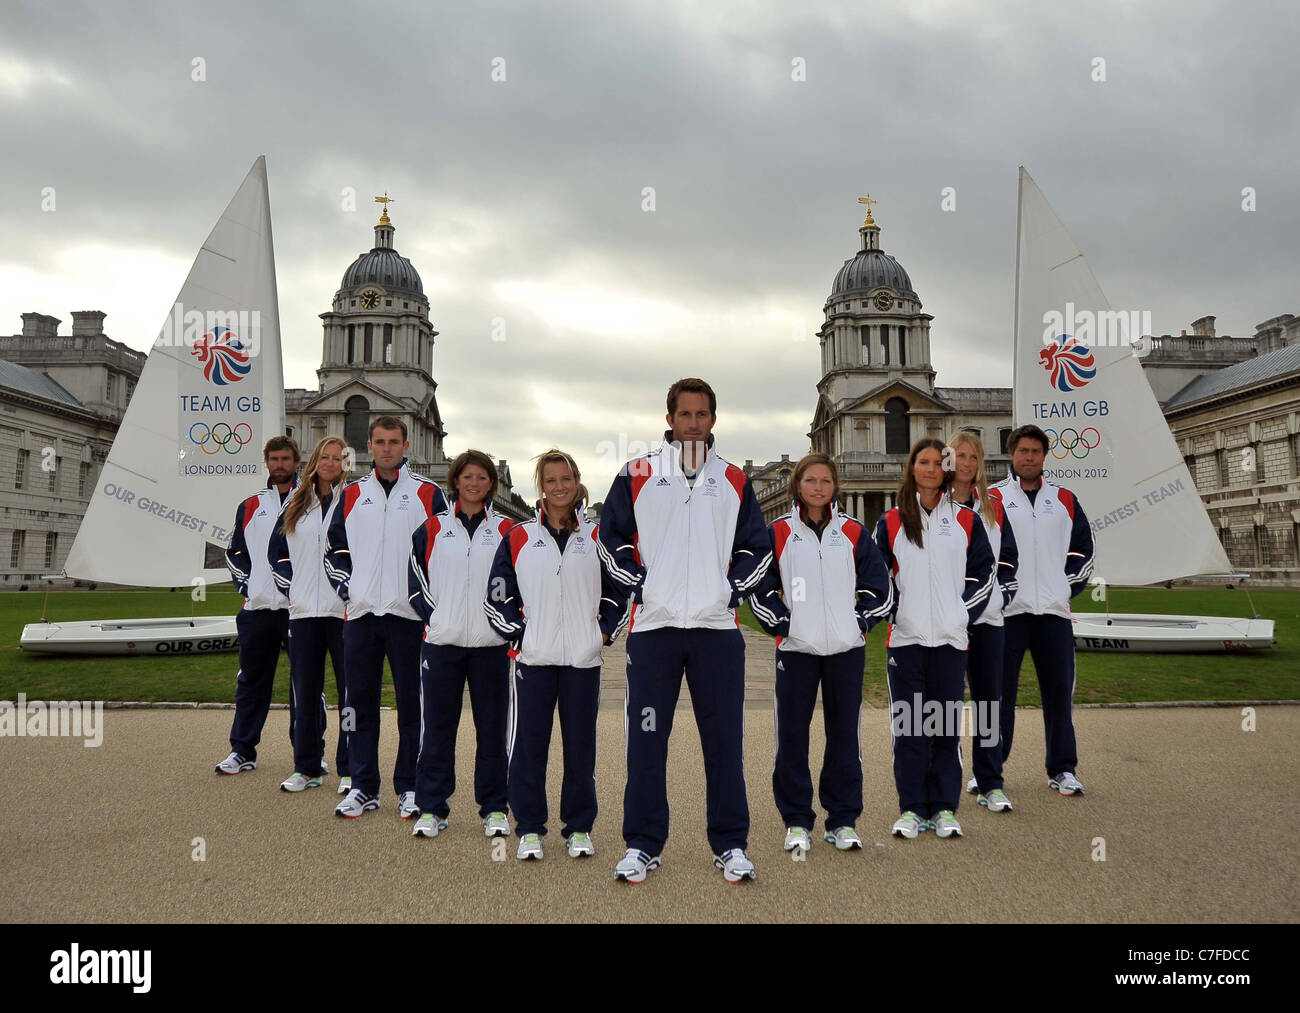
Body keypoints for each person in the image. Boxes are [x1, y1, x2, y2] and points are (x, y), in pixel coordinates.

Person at [598, 378, 772, 884]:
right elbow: (611, 538)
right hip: (654, 629)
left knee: (723, 742)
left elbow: (756, 548)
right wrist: (642, 585)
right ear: (670, 419)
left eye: (702, 414)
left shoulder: (735, 480)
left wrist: (730, 590)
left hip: (716, 631)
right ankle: (642, 844)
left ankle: (731, 844)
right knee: (647, 741)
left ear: (713, 420)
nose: (694, 423)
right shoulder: (636, 473)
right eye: (685, 414)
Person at [484, 449, 628, 861]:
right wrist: (521, 636)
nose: (559, 486)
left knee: (580, 748)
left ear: (576, 481)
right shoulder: (519, 536)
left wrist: (601, 635)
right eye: (550, 480)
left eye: (565, 478)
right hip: (534, 660)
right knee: (530, 746)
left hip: (583, 660)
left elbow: (619, 592)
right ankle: (530, 828)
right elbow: (498, 594)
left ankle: (578, 827)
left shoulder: (599, 537)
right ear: (541, 487)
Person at [746, 453, 893, 853]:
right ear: (798, 485)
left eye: (825, 480)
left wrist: (858, 621)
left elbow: (879, 587)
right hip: (796, 650)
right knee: (792, 737)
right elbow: (759, 587)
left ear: (835, 487)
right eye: (810, 480)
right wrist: (785, 625)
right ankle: (796, 819)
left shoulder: (854, 532)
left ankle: (842, 819)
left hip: (846, 648)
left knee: (844, 737)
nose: (818, 487)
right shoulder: (777, 532)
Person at [874, 438, 994, 840]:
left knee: (945, 728)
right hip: (905, 641)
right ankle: (911, 808)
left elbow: (983, 574)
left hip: (949, 640)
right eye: (921, 462)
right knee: (909, 729)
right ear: (911, 469)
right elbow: (877, 580)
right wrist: (896, 613)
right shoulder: (890, 522)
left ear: (946, 469)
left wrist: (961, 615)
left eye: (936, 462)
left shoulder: (965, 520)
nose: (929, 468)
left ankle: (943, 807)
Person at [325, 417, 445, 818]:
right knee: (357, 703)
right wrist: (349, 588)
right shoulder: (352, 493)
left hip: (409, 617)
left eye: (395, 442)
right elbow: (334, 548)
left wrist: (424, 603)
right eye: (380, 442)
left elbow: (441, 554)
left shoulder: (429, 494)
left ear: (406, 445)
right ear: (369, 447)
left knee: (413, 704)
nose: (388, 448)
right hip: (360, 614)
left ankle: (409, 786)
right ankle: (363, 785)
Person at [407, 451, 516, 840]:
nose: (474, 483)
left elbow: (520, 587)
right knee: (437, 729)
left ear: (491, 484)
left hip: (491, 646)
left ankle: (493, 808)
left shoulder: (507, 531)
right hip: (443, 644)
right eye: (468, 476)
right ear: (455, 481)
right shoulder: (431, 529)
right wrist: (438, 619)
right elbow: (417, 584)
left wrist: (507, 627)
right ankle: (432, 807)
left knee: (491, 730)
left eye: (482, 477)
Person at [990, 424, 1095, 796]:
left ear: (1044, 456)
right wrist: (998, 594)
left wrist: (1065, 586)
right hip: (1007, 615)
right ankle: (989, 771)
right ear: (1012, 455)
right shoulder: (992, 498)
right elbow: (979, 555)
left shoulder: (1065, 499)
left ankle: (1063, 769)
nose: (1029, 457)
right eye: (1023, 451)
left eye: (1035, 451)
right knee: (997, 695)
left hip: (1053, 613)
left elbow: (1083, 550)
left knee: (1058, 693)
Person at [268, 435, 350, 794]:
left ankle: (350, 768)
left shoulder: (353, 502)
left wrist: (351, 592)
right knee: (305, 691)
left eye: (339, 458)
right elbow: (276, 554)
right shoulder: (296, 504)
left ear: (347, 464)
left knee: (351, 694)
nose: (331, 463)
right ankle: (307, 765)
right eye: (326, 456)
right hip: (303, 613)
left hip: (344, 613)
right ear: (315, 460)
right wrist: (293, 589)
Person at [214, 435, 300, 775]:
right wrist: (249, 586)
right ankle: (242, 750)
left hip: (299, 611)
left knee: (304, 685)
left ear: (296, 462)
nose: (280, 465)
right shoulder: (250, 505)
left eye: (286, 459)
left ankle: (307, 754)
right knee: (250, 681)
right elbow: (235, 551)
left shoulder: (310, 502)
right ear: (267, 463)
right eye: (274, 459)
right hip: (258, 609)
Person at [946, 431, 1019, 813]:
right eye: (960, 456)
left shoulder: (992, 506)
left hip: (988, 620)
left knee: (989, 703)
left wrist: (1002, 595)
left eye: (973, 457)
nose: (968, 464)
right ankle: (943, 788)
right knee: (946, 706)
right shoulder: (932, 503)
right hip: (945, 622)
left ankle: (990, 781)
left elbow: (1008, 559)